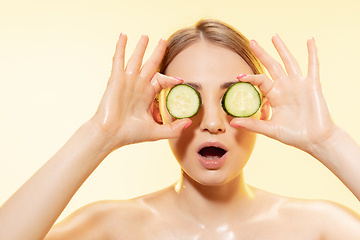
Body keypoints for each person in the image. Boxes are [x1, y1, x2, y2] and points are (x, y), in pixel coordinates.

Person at [1, 19, 360, 240]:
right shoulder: (109, 227)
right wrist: (100, 134)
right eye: (189, 98)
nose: (213, 123)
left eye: (231, 98)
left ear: (263, 108)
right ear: (160, 111)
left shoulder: (320, 227)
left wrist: (328, 141)